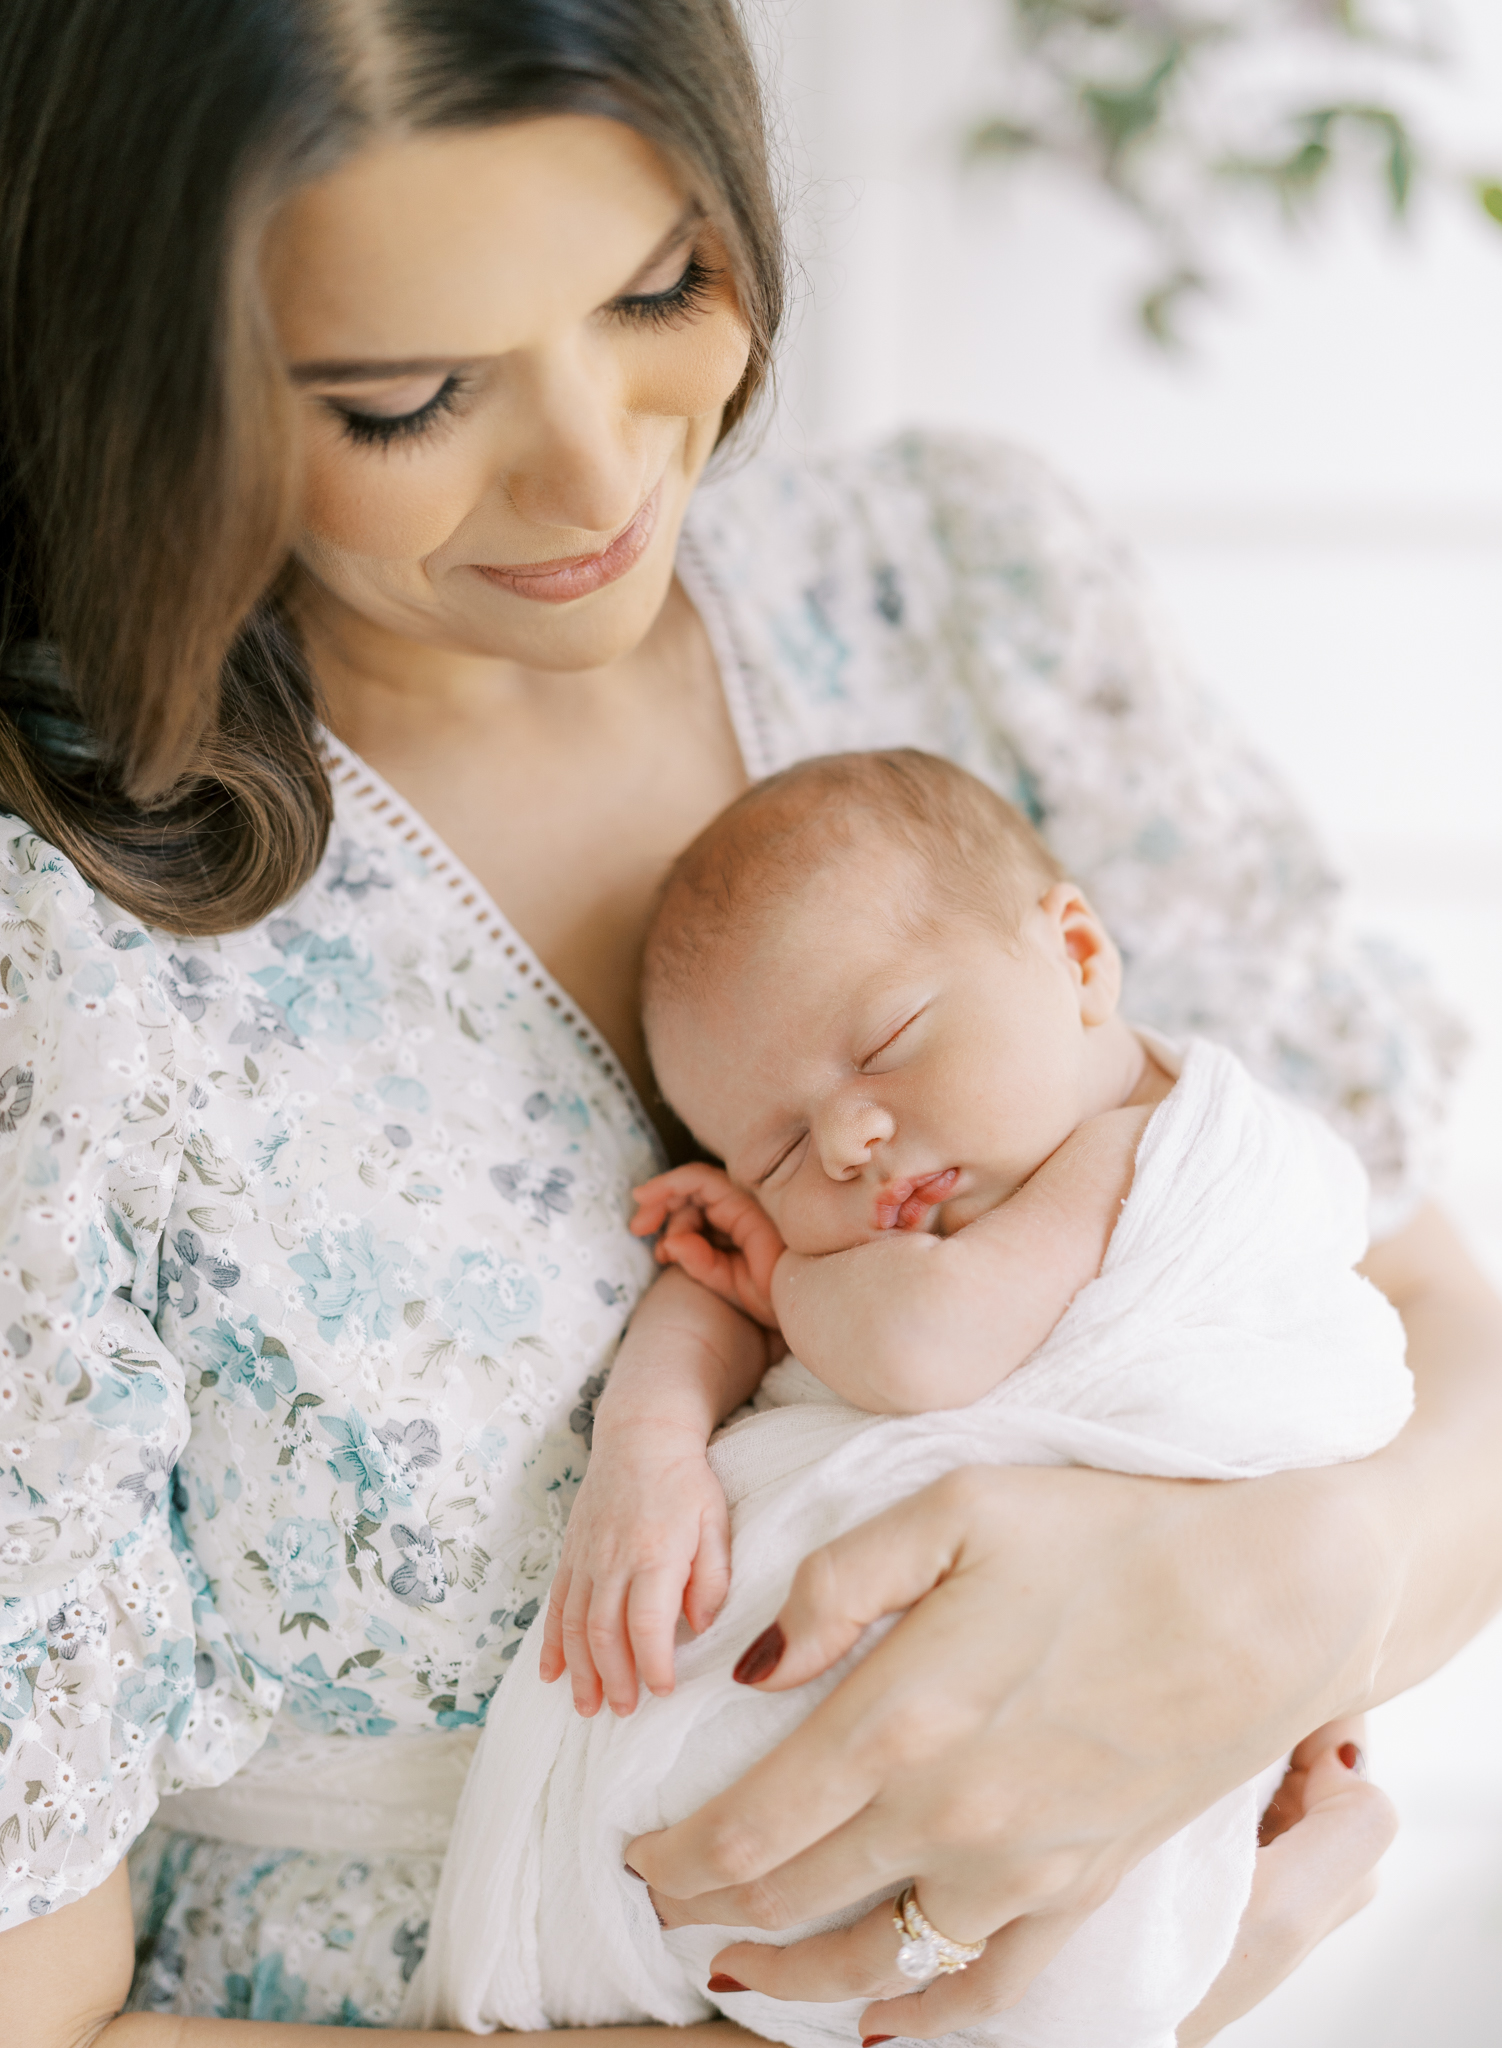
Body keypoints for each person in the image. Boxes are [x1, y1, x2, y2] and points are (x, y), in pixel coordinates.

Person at [0, 3, 1496, 2043]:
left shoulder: (959, 591)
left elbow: (1438, 1334)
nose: (603, 468)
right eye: (412, 395)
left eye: (658, 288)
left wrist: (1289, 1599)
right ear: (146, 376)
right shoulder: (58, 928)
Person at [410, 749, 1413, 2047]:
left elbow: (923, 1352)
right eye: (770, 1148)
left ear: (1075, 958)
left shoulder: (1142, 1147)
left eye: (884, 1047)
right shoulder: (915, 1200)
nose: (842, 1144)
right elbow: (704, 1299)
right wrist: (648, 1439)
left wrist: (778, 1274)